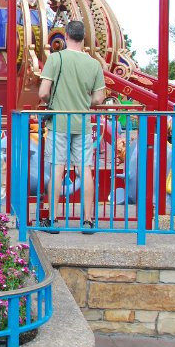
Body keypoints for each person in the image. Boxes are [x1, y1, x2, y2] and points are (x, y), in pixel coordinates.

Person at [38, 20, 105, 234]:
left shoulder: (55, 59)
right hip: (83, 122)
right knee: (85, 170)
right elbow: (99, 98)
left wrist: (52, 101)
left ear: (65, 36)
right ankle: (88, 221)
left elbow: (43, 92)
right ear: (83, 38)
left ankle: (52, 219)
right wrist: (84, 102)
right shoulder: (94, 64)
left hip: (59, 121)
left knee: (57, 169)